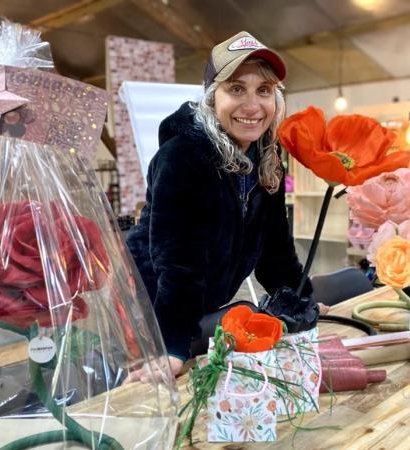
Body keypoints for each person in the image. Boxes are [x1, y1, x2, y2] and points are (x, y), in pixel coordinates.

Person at [126, 31, 319, 377]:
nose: (252, 105)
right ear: (213, 98)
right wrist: (172, 345)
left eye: (264, 90)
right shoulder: (182, 158)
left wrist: (301, 299)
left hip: (198, 308)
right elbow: (177, 264)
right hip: (147, 310)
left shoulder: (266, 157)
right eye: (236, 89)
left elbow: (275, 249)